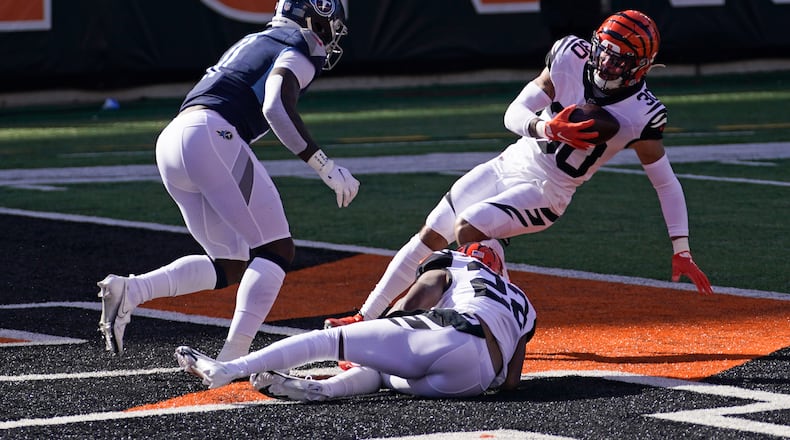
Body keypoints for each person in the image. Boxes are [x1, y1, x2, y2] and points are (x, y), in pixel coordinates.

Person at [325, 9, 713, 332]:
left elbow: (665, 182)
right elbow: (513, 113)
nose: (609, 62)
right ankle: (365, 316)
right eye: (606, 51)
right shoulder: (569, 56)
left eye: (621, 59)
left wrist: (682, 248)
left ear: (642, 67)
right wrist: (547, 127)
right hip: (513, 159)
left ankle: (501, 319)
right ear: (595, 43)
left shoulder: (641, 114)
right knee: (431, 232)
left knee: (471, 225)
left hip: (548, 190)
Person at [97, 0, 360, 360]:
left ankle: (131, 290)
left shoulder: (261, 39)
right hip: (210, 134)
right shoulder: (298, 46)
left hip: (174, 138)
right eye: (333, 25)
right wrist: (325, 165)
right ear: (317, 16)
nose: (333, 37)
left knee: (230, 261)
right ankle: (232, 359)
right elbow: (276, 106)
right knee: (275, 249)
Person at [175, 243, 537, 401]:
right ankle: (323, 390)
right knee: (381, 369)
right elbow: (511, 382)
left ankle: (228, 369)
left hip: (456, 331)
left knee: (330, 340)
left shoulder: (457, 264)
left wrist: (377, 331)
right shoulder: (522, 300)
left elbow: (415, 300)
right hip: (470, 381)